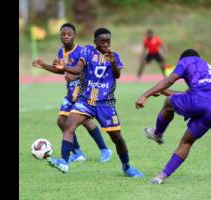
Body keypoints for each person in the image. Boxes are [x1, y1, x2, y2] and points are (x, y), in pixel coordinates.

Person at [48, 27, 144, 177]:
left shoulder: (114, 56)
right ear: (95, 42)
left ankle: (126, 166)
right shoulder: (87, 52)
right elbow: (78, 69)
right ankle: (64, 162)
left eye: (108, 41)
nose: (106, 44)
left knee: (117, 138)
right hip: (86, 100)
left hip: (105, 103)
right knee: (69, 126)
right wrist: (64, 67)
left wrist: (112, 63)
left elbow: (117, 75)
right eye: (102, 41)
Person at [135, 49, 211, 184]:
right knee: (186, 142)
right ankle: (161, 176)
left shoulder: (186, 61)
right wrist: (162, 91)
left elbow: (169, 80)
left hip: (199, 101)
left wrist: (145, 95)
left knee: (168, 103)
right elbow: (188, 95)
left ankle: (158, 133)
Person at [32, 23, 112, 164]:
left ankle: (104, 150)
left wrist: (74, 76)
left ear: (74, 36)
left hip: (83, 91)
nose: (66, 37)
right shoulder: (61, 52)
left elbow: (87, 70)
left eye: (69, 34)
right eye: (63, 34)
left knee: (85, 121)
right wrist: (44, 65)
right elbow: (62, 70)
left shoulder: (82, 51)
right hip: (70, 92)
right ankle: (79, 153)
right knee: (63, 121)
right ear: (60, 36)